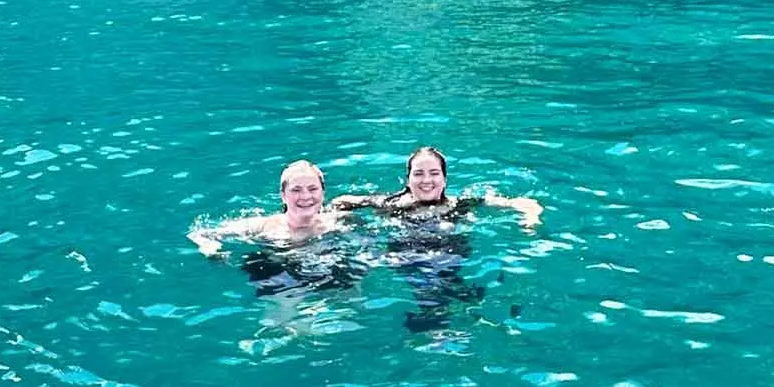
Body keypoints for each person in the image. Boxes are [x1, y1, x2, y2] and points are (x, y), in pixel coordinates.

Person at [334, 147, 542, 227]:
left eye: (434, 173)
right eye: (418, 174)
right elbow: (341, 201)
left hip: (448, 258)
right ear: (408, 180)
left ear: (444, 180)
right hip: (402, 259)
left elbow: (525, 203)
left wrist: (530, 218)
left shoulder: (461, 204)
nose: (426, 180)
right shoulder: (389, 202)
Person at [190, 160, 345, 256]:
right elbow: (200, 234)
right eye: (296, 190)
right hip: (279, 276)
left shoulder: (336, 222)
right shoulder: (262, 226)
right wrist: (209, 247)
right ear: (283, 195)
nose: (305, 196)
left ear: (323, 193)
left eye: (312, 189)